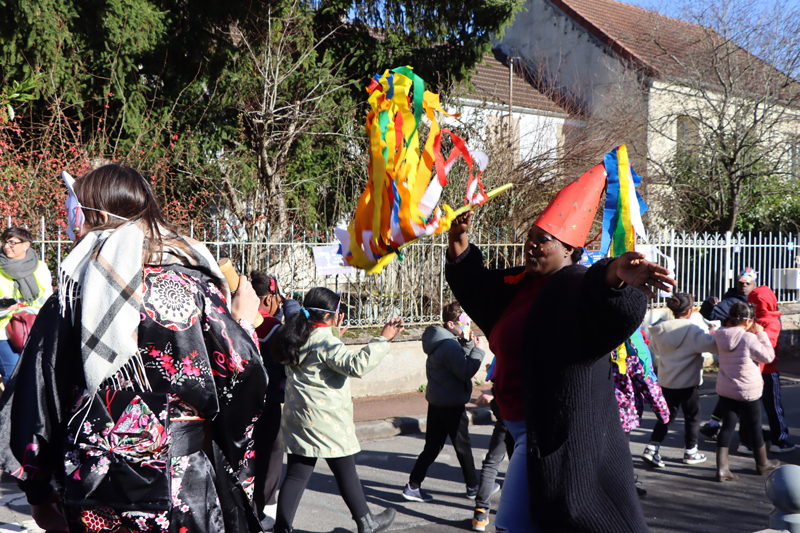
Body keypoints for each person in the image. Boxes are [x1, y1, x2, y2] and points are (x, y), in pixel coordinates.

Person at [0, 164, 268, 532]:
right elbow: (242, 373)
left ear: (91, 214)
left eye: (72, 210)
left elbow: (38, 392)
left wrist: (37, 490)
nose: (69, 221)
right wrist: (240, 327)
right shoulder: (191, 282)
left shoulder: (73, 292)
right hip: (182, 479)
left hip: (91, 481)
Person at [445, 168, 676, 532]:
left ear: (570, 249)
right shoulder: (518, 285)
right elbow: (472, 282)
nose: (532, 244)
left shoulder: (573, 285)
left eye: (544, 239)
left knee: (515, 525)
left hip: (553, 437)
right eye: (531, 237)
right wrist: (458, 236)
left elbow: (601, 295)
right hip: (517, 427)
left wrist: (614, 273)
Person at [271, 287, 403, 533]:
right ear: (331, 315)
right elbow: (356, 365)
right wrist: (383, 339)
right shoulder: (326, 342)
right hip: (325, 422)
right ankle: (367, 522)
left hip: (299, 417)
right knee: (346, 471)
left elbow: (322, 357)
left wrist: (334, 333)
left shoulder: (297, 334)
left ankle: (282, 529)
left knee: (297, 474)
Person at [402, 302, 485, 503]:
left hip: (438, 401)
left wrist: (465, 343)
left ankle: (413, 485)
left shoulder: (441, 341)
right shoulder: (449, 345)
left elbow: (456, 363)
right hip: (451, 403)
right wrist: (478, 351)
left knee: (432, 446)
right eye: (465, 323)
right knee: (463, 446)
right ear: (450, 324)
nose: (468, 327)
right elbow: (465, 371)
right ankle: (473, 488)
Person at [642, 293, 718, 469]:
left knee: (665, 416)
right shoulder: (692, 329)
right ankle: (691, 451)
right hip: (688, 383)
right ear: (690, 310)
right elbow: (711, 345)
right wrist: (713, 330)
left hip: (667, 381)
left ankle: (652, 447)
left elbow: (655, 349)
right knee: (692, 417)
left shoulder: (660, 329)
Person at [250, 271, 301, 530]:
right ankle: (260, 509)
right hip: (267, 399)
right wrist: (291, 307)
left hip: (239, 398)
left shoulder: (239, 317)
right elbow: (295, 342)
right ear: (269, 298)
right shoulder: (271, 327)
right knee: (271, 451)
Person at [713, 301, 779, 482]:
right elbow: (768, 356)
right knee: (755, 427)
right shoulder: (749, 338)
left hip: (726, 389)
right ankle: (763, 464)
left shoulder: (720, 334)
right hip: (748, 390)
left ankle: (722, 469)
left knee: (727, 426)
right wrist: (761, 333)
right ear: (749, 320)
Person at [745, 285, 795, 453]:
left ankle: (746, 441)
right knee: (774, 407)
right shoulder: (772, 321)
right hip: (767, 370)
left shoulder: (749, 320)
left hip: (750, 371)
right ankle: (779, 440)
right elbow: (769, 347)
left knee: (749, 408)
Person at [0, 226, 53, 382]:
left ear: (26, 245)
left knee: (32, 378)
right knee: (12, 378)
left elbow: (47, 299)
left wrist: (29, 308)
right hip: (3, 331)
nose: (6, 246)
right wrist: (5, 304)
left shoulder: (40, 267)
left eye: (12, 243)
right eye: (4, 242)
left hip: (32, 328)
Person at [471, 360, 512, 532]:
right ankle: (519, 513)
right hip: (521, 416)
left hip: (505, 415)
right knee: (524, 465)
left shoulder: (505, 341)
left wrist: (494, 387)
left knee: (492, 463)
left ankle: (480, 514)